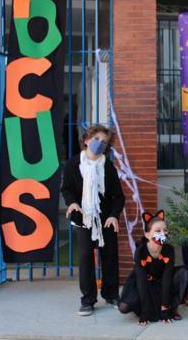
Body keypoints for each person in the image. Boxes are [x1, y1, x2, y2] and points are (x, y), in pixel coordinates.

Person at [61, 125, 125, 316]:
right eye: (96, 139)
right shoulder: (74, 164)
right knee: (86, 256)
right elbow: (66, 189)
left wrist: (114, 215)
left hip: (105, 219)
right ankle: (88, 300)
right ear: (87, 140)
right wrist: (72, 203)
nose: (100, 144)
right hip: (84, 217)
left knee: (110, 255)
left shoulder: (107, 166)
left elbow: (118, 195)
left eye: (104, 142)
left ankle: (111, 294)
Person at [119, 210, 184, 325]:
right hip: (143, 282)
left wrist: (165, 307)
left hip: (160, 282)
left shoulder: (169, 250)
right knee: (124, 307)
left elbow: (167, 278)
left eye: (165, 230)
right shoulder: (140, 252)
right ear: (147, 235)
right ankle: (143, 307)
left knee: (183, 272)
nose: (162, 233)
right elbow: (141, 280)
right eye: (158, 231)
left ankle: (169, 307)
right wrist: (144, 312)